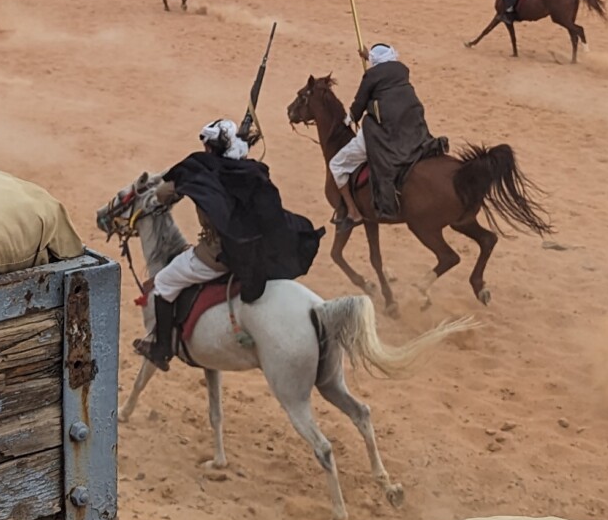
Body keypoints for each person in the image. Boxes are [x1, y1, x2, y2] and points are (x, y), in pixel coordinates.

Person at [137, 117, 322, 368]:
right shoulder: (248, 170)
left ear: (210, 147)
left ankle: (161, 349)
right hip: (251, 250)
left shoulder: (203, 170)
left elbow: (161, 194)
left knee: (163, 282)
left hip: (216, 254)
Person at [330, 43, 444, 220]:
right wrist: (369, 58)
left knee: (336, 165)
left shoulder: (371, 76)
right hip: (413, 129)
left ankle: (352, 211)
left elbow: (359, 104)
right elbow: (384, 70)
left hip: (386, 132)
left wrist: (349, 118)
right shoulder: (401, 71)